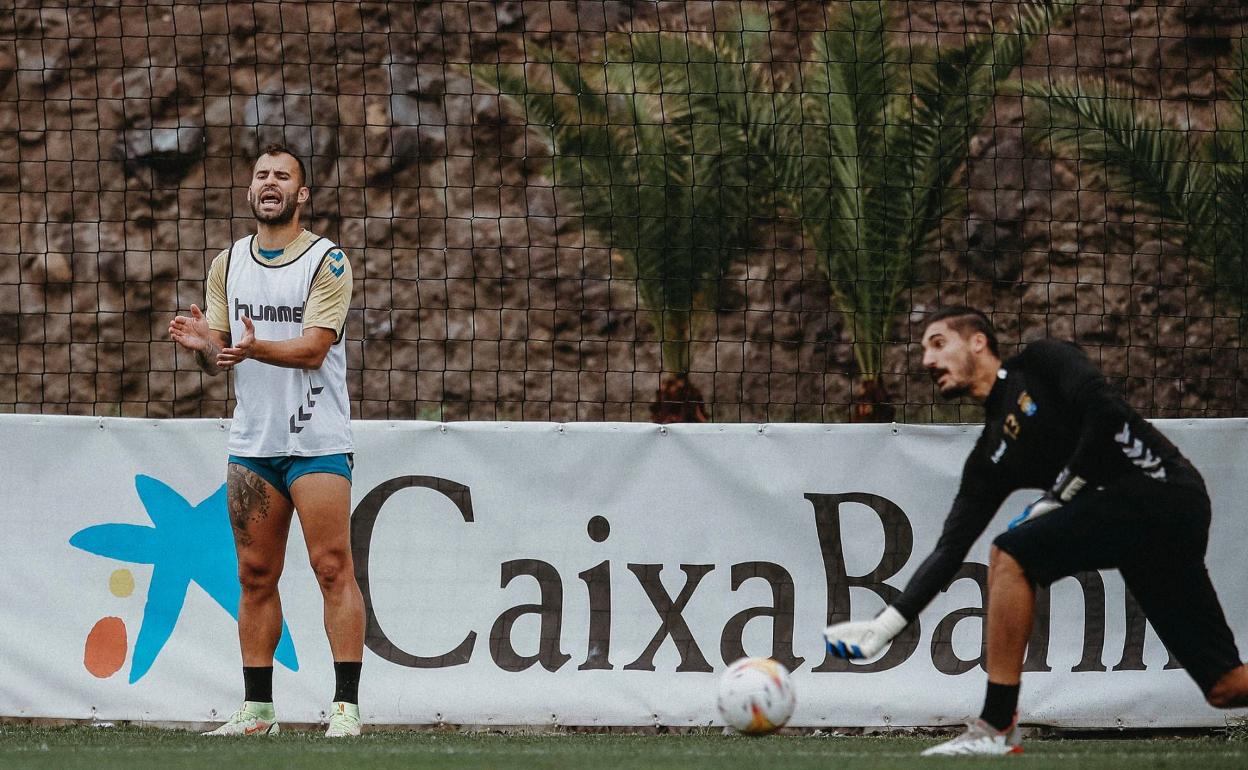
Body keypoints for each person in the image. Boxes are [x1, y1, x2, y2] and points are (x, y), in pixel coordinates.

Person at [823, 305, 1248, 756]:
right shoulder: (989, 456)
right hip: (1140, 536)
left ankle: (996, 725)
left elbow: (1103, 412)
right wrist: (886, 626)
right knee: (1224, 687)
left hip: (1163, 492)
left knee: (1011, 554)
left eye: (938, 342)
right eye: (924, 350)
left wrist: (1059, 495)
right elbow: (949, 550)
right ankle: (996, 726)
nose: (926, 361)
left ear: (978, 342)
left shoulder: (1043, 361)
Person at [169, 145, 365, 738]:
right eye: (261, 175)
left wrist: (252, 347)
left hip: (317, 440)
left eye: (282, 176)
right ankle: (258, 711)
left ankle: (345, 709)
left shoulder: (327, 262)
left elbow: (313, 349)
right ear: (251, 191)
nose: (270, 183)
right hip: (252, 442)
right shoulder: (227, 263)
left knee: (332, 568)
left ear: (302, 195)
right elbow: (223, 358)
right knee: (255, 575)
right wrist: (207, 346)